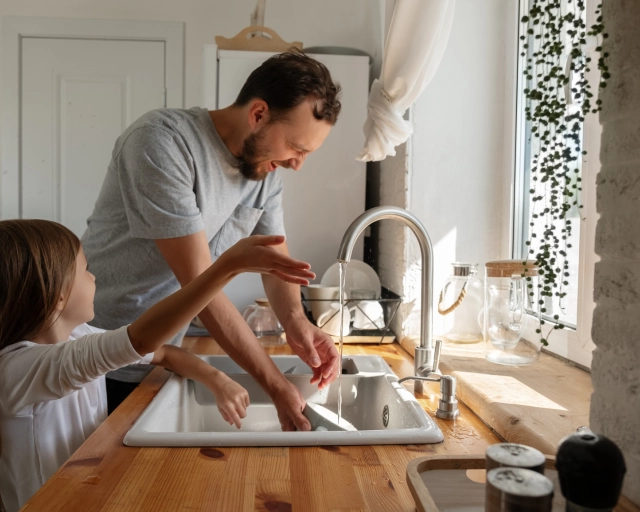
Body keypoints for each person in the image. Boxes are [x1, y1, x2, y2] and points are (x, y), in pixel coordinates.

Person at [81, 49, 342, 429]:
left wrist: (296, 322)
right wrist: (274, 384)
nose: (297, 164)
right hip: (101, 352)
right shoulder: (162, 143)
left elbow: (276, 262)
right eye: (296, 148)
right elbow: (200, 283)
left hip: (164, 353)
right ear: (258, 114)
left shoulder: (263, 173)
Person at [0, 219, 314, 512]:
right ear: (57, 296)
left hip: (87, 495)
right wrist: (226, 267)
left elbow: (164, 354)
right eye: (85, 270)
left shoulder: (77, 336)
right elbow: (141, 340)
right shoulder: (18, 369)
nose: (94, 277)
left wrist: (218, 379)